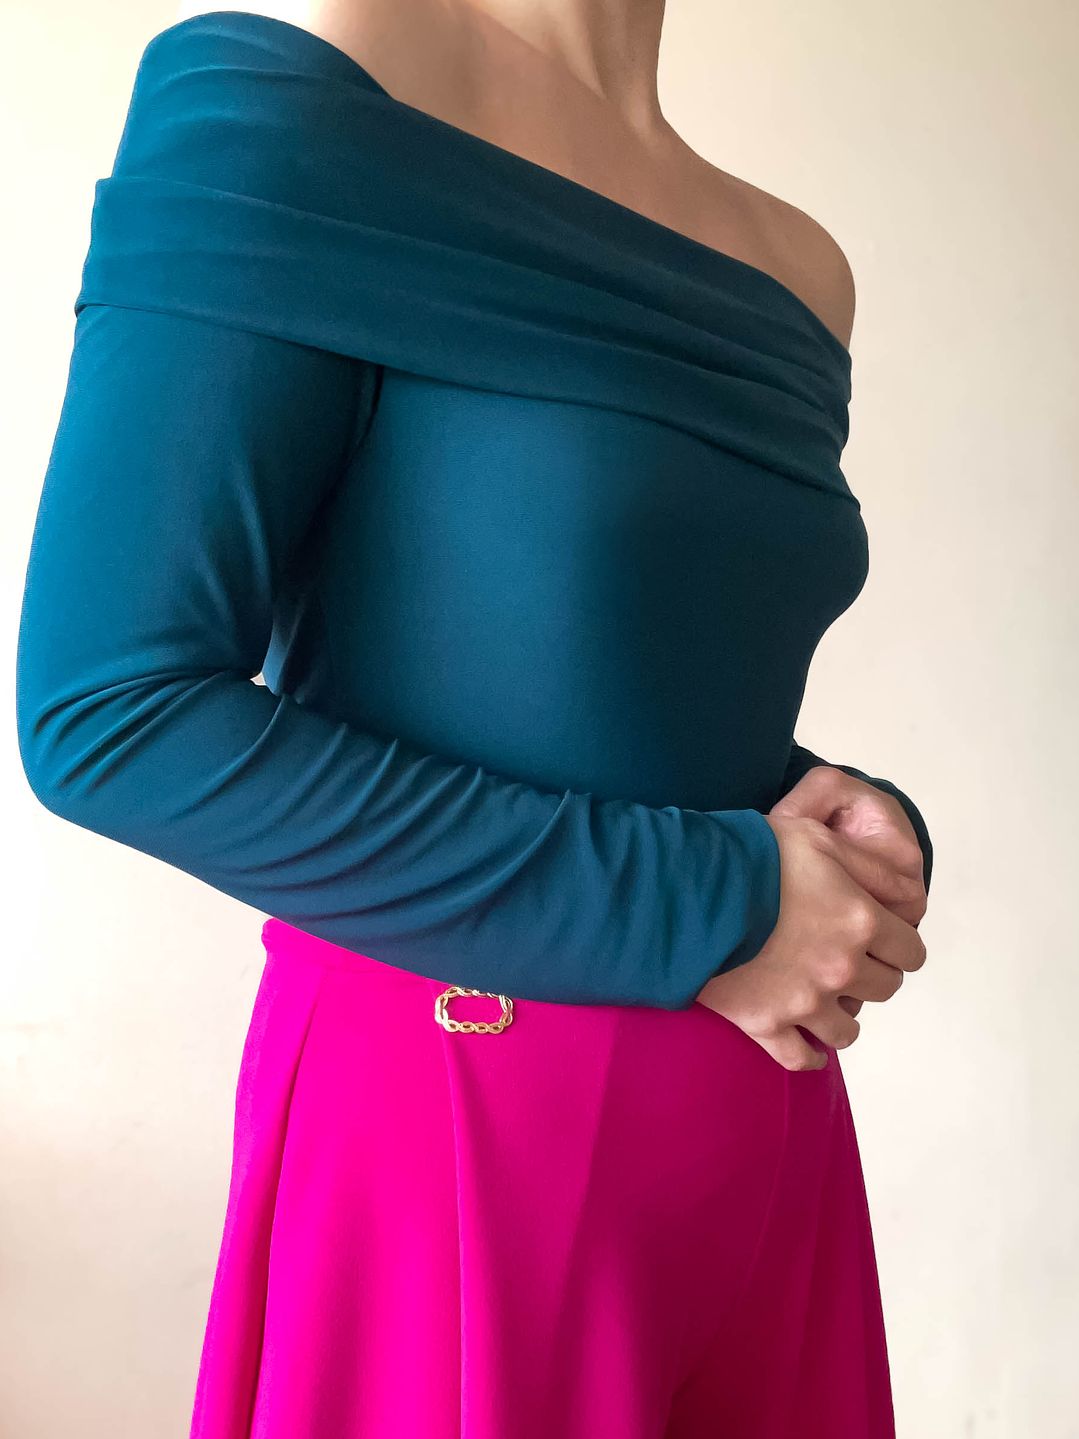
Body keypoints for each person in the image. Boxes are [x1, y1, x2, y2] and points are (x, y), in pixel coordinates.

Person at [15, 3, 932, 1434]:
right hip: (462, 1117)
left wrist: (834, 826)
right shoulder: (305, 100)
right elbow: (111, 713)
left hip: (761, 1118)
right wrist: (719, 898)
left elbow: (615, 664)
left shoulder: (799, 269)